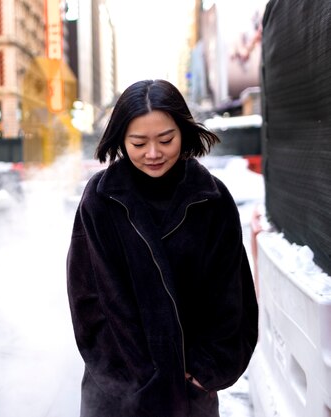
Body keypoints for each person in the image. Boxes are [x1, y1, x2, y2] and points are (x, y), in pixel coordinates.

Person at [66, 79, 258, 417]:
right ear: (121, 140)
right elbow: (87, 298)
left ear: (183, 133)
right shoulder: (101, 198)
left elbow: (233, 296)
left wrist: (204, 370)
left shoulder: (212, 200)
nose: (153, 154)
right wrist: (131, 376)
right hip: (116, 395)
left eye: (165, 140)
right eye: (138, 143)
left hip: (189, 394)